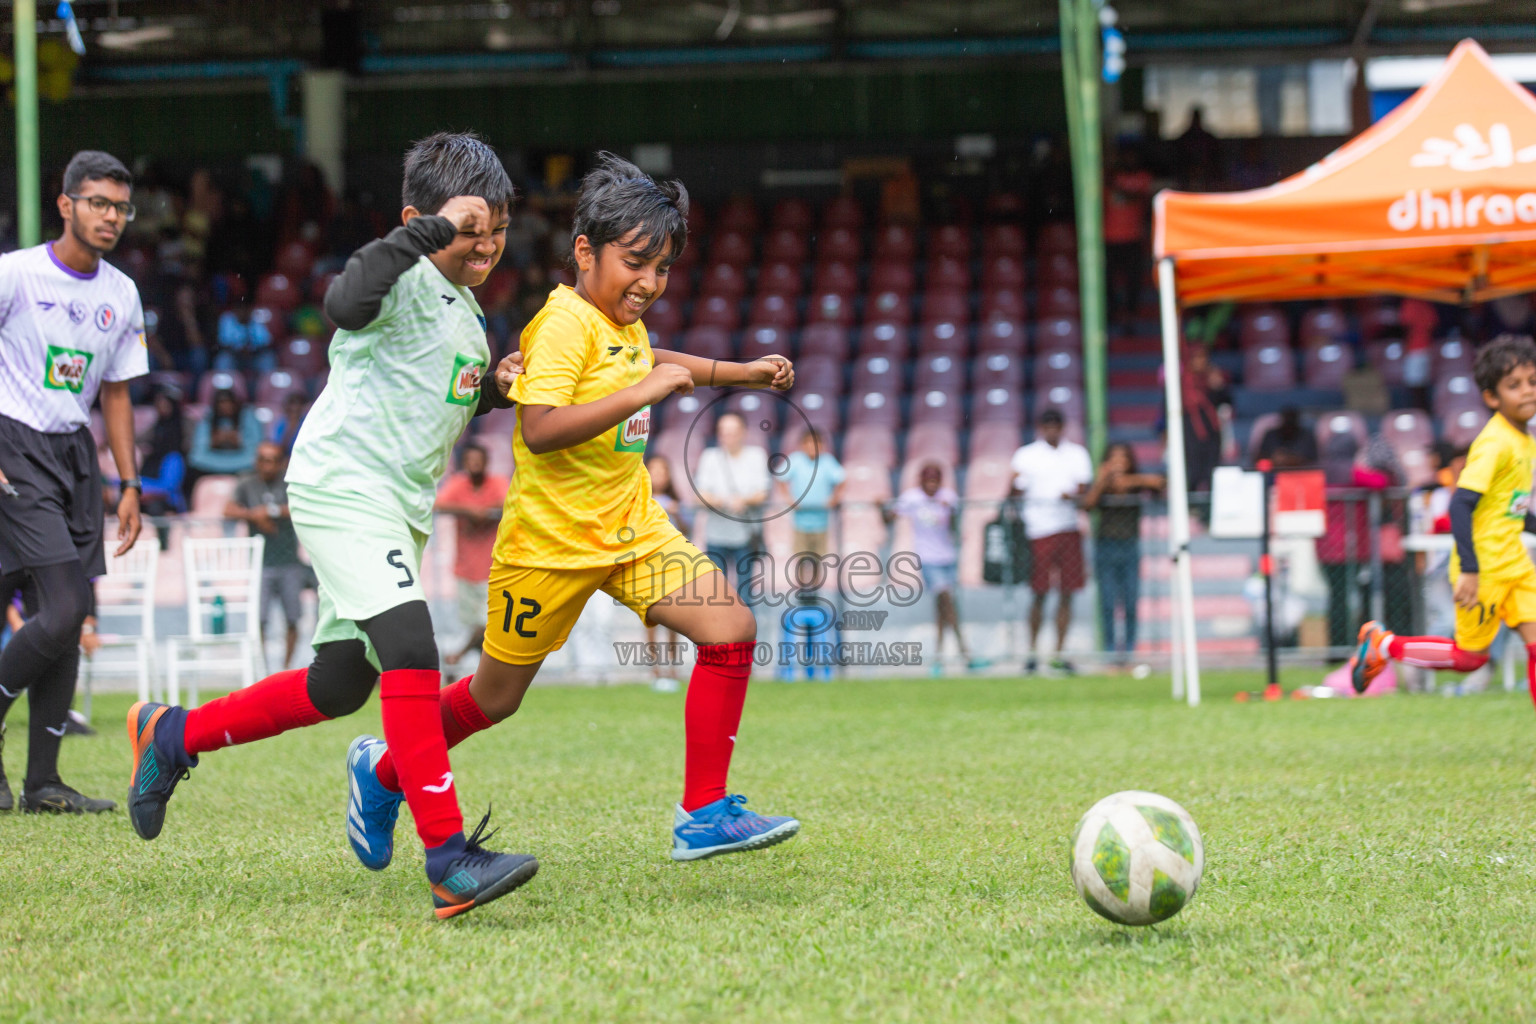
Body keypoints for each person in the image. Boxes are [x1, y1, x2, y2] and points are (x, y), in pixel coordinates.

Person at [124, 131, 538, 920]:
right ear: (421, 219)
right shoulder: (400, 273)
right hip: (344, 485)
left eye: (498, 226)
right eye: (469, 225)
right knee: (414, 646)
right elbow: (342, 303)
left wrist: (494, 389)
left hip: (395, 508)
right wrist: (422, 236)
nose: (486, 241)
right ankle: (450, 858)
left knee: (339, 684)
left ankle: (173, 735)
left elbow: (436, 392)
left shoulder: (468, 310)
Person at [346, 152, 801, 867]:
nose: (649, 284)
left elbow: (654, 359)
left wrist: (738, 372)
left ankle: (705, 812)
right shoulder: (560, 325)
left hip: (633, 532)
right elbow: (541, 427)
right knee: (494, 699)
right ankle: (381, 774)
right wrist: (641, 397)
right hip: (549, 549)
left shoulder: (621, 321)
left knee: (731, 628)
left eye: (663, 270)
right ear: (585, 252)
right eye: (635, 263)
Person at [0, 150, 146, 813]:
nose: (110, 216)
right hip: (14, 443)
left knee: (63, 616)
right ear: (66, 204)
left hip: (75, 455)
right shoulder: (15, 275)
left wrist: (130, 485)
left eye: (119, 207)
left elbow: (115, 394)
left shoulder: (120, 292)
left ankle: (43, 783)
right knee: (62, 608)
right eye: (97, 203)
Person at [1353, 335, 1536, 696]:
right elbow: (1461, 504)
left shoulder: (1524, 438)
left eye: (1532, 381)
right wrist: (1469, 569)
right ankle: (1384, 645)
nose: (1527, 391)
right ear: (1491, 398)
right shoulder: (1494, 443)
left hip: (1514, 562)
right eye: (1514, 385)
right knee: (1471, 658)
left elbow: (1509, 508)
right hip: (1485, 569)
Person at [1010, 409, 1093, 674]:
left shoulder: (1077, 454)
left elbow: (1083, 489)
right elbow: (1014, 491)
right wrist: (1013, 487)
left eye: (1056, 425)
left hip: (1068, 528)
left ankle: (1059, 651)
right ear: (1041, 427)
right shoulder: (1026, 456)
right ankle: (1032, 652)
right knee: (1039, 593)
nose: (1052, 430)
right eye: (1048, 425)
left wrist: (1072, 497)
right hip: (1039, 531)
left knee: (1067, 593)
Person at [887, 463, 989, 675]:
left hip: (948, 557)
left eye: (935, 482)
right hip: (928, 558)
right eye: (928, 482)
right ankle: (965, 652)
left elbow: (955, 529)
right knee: (946, 599)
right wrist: (881, 506)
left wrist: (950, 511)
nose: (932, 486)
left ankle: (939, 657)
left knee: (943, 607)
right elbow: (890, 518)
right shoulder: (912, 499)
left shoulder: (948, 497)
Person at [1082, 443, 1165, 669]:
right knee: (1108, 602)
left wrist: (1130, 481)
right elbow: (1087, 504)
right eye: (1114, 458)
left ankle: (1128, 653)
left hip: (1130, 547)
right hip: (1105, 547)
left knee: (1130, 602)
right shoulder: (1101, 486)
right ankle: (1109, 654)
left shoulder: (1136, 484)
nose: (1118, 463)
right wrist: (1103, 480)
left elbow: (1160, 484)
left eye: (1123, 458)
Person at [225, 442, 305, 670]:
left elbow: (302, 506)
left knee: (293, 618)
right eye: (262, 459)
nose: (266, 465)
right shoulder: (247, 484)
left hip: (290, 562)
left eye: (272, 460)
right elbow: (227, 510)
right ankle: (263, 670)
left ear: (281, 463)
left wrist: (271, 511)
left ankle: (286, 668)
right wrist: (253, 515)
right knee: (258, 620)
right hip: (259, 565)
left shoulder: (291, 483)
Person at [435, 441, 508, 669]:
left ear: (486, 462)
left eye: (479, 460)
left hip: (494, 566)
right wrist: (470, 510)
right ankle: (480, 671)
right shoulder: (459, 484)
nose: (475, 465)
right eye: (470, 460)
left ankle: (458, 655)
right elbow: (438, 505)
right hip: (465, 568)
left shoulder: (497, 482)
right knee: (474, 625)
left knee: (488, 622)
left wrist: (486, 512)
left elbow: (511, 503)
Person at [694, 412, 771, 589]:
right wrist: (721, 501)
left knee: (745, 591)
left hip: (745, 535)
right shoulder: (710, 456)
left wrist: (743, 501)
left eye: (731, 431)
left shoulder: (756, 455)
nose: (726, 436)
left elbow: (763, 492)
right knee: (717, 592)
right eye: (723, 431)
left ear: (743, 432)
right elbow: (700, 494)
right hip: (716, 534)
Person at [644, 455, 689, 692]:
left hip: (672, 566)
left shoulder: (675, 502)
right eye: (653, 470)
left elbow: (688, 528)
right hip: (647, 566)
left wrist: (677, 512)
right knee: (650, 619)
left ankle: (672, 667)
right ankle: (654, 669)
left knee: (674, 621)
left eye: (662, 471)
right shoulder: (640, 500)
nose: (658, 475)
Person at [780, 427, 844, 558]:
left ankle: (816, 580)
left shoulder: (827, 461)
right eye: (808, 442)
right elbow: (780, 479)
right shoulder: (795, 460)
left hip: (821, 521)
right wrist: (788, 498)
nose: (811, 446)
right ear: (802, 445)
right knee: (801, 557)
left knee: (818, 558)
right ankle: (800, 580)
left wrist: (834, 498)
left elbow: (842, 480)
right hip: (800, 521)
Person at [187, 388, 261, 483]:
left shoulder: (248, 416)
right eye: (221, 403)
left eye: (229, 403)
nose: (226, 406)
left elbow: (257, 446)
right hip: (211, 460)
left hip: (242, 460)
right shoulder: (208, 417)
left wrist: (238, 440)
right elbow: (198, 448)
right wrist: (215, 440)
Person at [271, 389, 310, 454]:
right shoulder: (281, 423)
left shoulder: (308, 423)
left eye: (297, 406)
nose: (293, 408)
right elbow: (277, 447)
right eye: (290, 407)